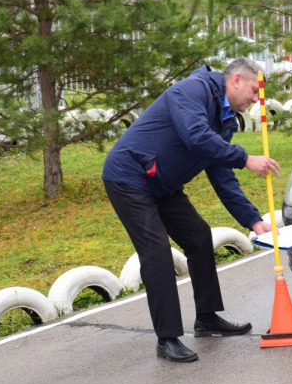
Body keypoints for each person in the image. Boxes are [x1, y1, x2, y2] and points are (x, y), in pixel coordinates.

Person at [102, 58, 279, 363]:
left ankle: (207, 320)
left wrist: (252, 219)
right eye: (253, 90)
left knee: (198, 237)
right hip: (129, 177)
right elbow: (196, 136)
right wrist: (246, 158)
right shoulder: (191, 91)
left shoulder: (224, 119)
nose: (255, 99)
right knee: (156, 251)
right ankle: (167, 338)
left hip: (161, 184)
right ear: (236, 80)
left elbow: (222, 173)